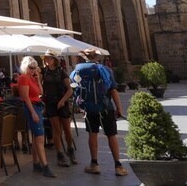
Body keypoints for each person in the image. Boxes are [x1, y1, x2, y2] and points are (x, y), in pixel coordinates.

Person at [70, 48, 127, 177]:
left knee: (92, 135)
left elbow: (75, 88)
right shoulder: (105, 69)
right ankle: (118, 166)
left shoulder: (78, 70)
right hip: (106, 107)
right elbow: (113, 90)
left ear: (84, 57)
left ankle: (94, 164)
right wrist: (119, 108)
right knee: (111, 135)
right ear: (97, 57)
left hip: (89, 109)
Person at [18, 55, 55, 178]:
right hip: (32, 107)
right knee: (40, 137)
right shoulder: (23, 78)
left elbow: (41, 92)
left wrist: (38, 79)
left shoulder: (31, 77)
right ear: (25, 67)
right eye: (31, 67)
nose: (33, 70)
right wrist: (33, 112)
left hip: (37, 106)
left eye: (35, 68)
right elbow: (25, 97)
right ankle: (45, 166)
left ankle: (36, 164)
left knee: (36, 137)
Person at [42, 50, 76, 167]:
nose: (47, 60)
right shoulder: (43, 72)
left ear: (54, 60)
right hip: (50, 103)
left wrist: (63, 101)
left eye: (49, 58)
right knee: (56, 131)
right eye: (46, 58)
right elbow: (42, 89)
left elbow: (70, 89)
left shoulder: (61, 72)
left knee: (67, 130)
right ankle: (60, 155)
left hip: (62, 102)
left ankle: (70, 150)